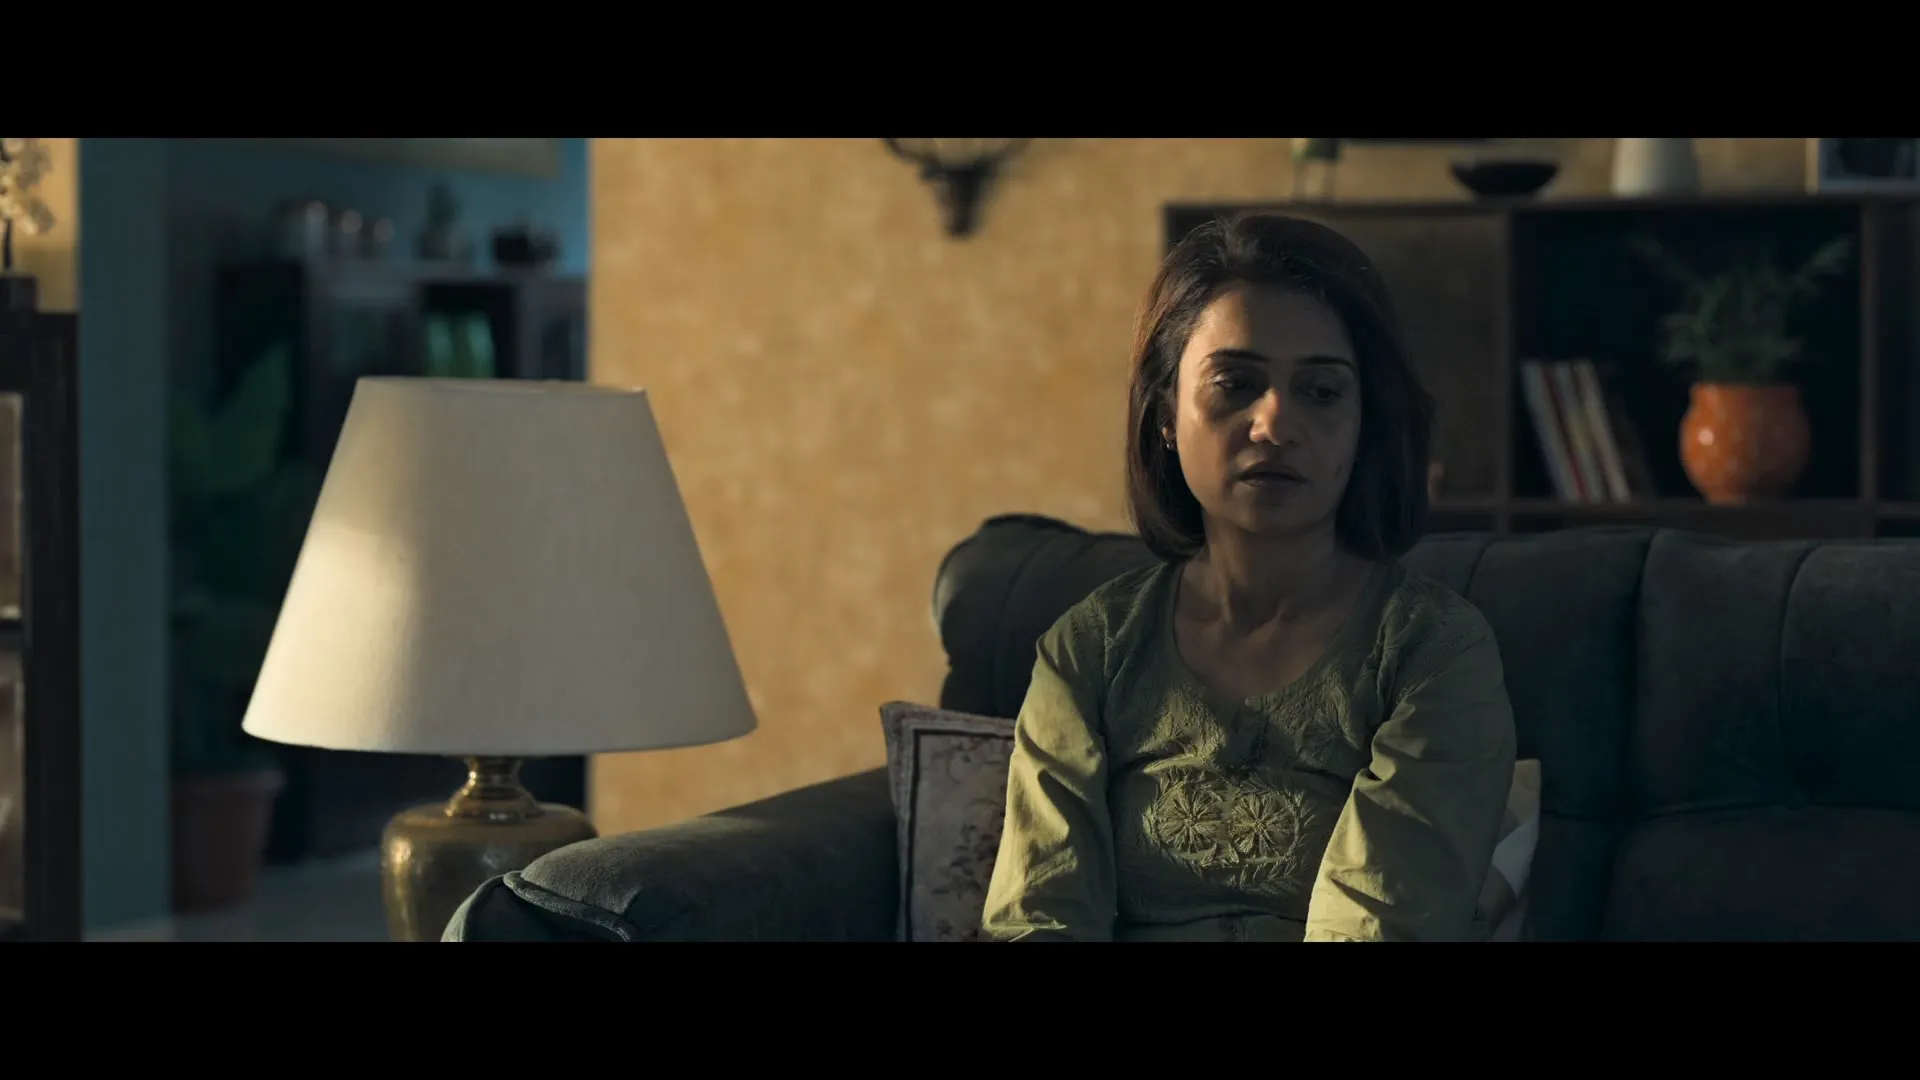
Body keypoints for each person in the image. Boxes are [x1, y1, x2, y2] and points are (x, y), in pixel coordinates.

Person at [980, 212, 1517, 942]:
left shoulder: (1430, 650)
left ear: (1364, 422)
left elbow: (1380, 926)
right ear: (1166, 413)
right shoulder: (1092, 650)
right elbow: (1038, 917)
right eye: (1235, 384)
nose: (1274, 425)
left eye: (1321, 392)